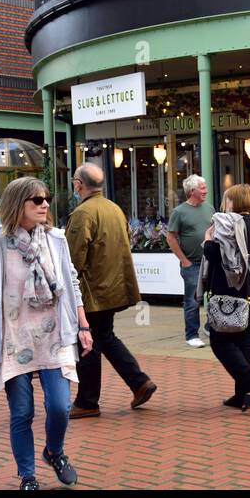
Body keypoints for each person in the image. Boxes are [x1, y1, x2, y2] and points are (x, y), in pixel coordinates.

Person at [0, 177, 91, 490]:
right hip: (12, 338)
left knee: (61, 407)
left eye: (46, 198)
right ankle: (27, 475)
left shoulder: (56, 240)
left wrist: (83, 325)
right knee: (22, 411)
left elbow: (72, 283)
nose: (45, 204)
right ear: (16, 204)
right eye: (36, 200)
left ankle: (55, 452)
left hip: (53, 336)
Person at [64, 163, 156, 418]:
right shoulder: (114, 209)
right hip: (114, 287)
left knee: (89, 342)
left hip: (93, 291)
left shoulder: (83, 213)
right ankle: (138, 382)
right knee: (104, 337)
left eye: (74, 181)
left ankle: (88, 401)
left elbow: (72, 259)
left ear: (80, 184)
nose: (74, 185)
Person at [200, 184, 250, 410]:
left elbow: (215, 255)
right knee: (245, 341)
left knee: (219, 340)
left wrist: (207, 239)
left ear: (234, 202)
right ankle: (243, 395)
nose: (225, 203)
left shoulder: (227, 223)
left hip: (231, 290)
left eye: (228, 199)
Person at [166, 175, 215, 347]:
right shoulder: (179, 212)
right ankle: (191, 334)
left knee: (215, 296)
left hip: (211, 261)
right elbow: (171, 238)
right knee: (193, 300)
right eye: (202, 188)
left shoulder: (209, 208)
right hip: (192, 264)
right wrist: (184, 261)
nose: (206, 191)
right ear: (192, 191)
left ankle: (211, 327)